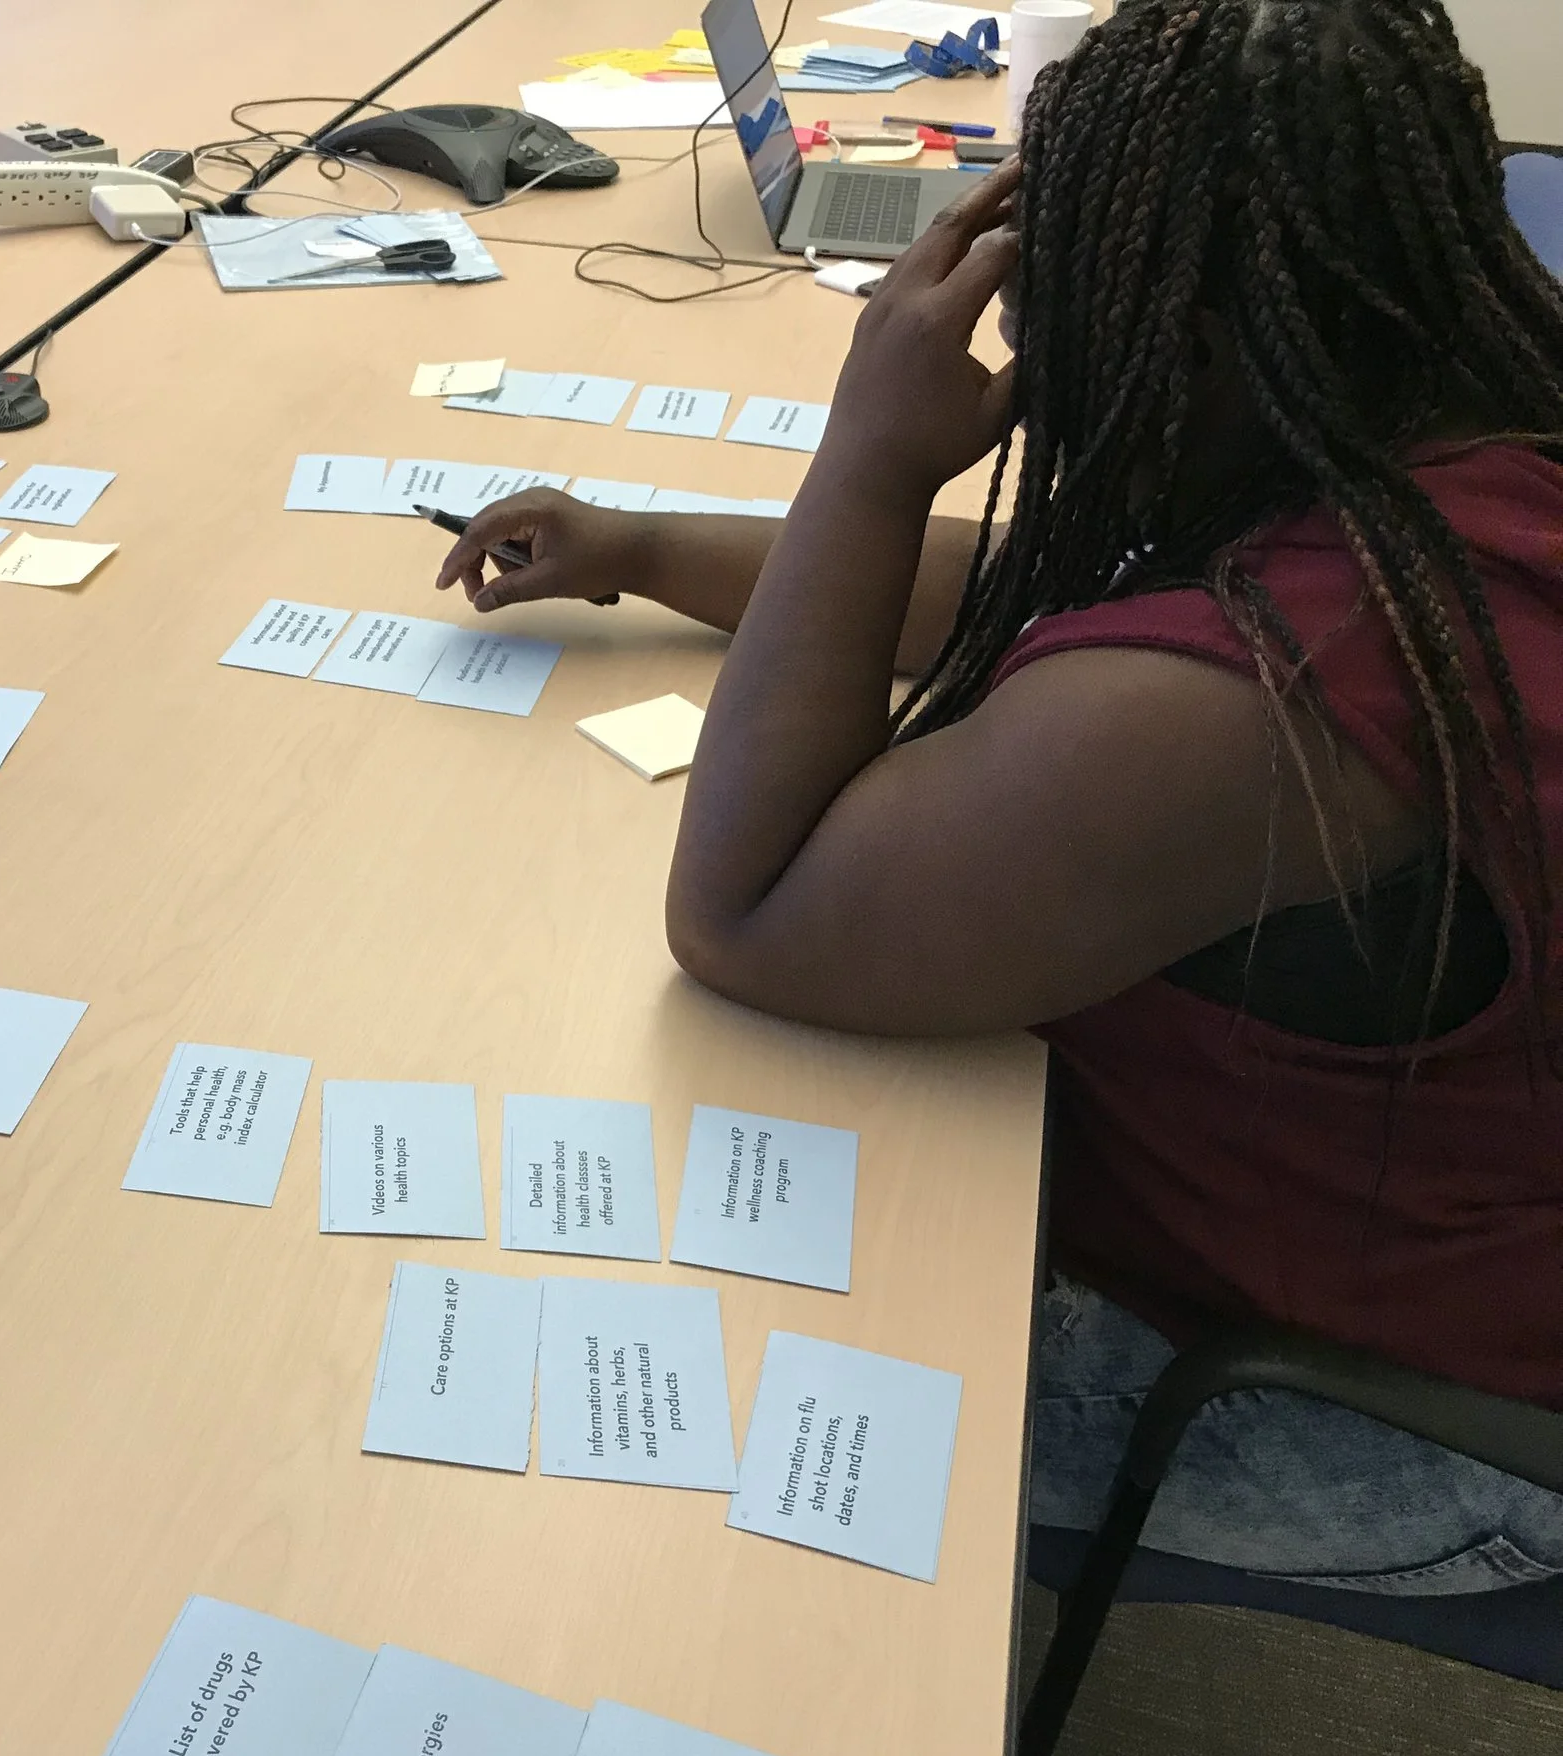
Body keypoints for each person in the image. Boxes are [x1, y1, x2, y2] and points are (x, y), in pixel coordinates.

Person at [438, 0, 1563, 1594]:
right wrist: (641, 547)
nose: (1035, 344)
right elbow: (1054, 597)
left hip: (1386, 1420)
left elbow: (750, 911)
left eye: (1067, 303)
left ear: (1185, 341)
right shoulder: (1443, 429)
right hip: (1471, 1260)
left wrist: (873, 457)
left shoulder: (1285, 683)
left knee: (694, 1391)